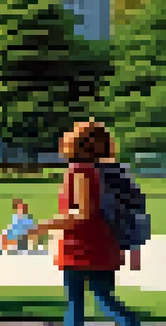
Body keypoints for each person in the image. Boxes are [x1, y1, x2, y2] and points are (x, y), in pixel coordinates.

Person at [30, 121, 143, 326]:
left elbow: (81, 214)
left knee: (78, 304)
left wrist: (41, 227)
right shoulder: (101, 171)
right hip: (103, 244)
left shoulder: (80, 171)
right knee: (104, 299)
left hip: (81, 249)